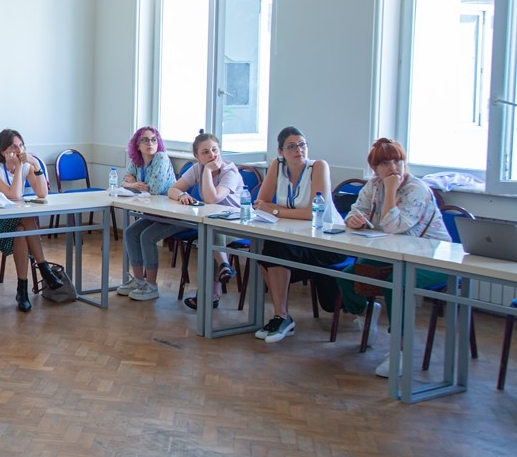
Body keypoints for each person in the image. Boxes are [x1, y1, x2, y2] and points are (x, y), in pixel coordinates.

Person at [342, 137, 451, 377]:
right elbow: (355, 210)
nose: (393, 168)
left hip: (432, 257)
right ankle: (366, 314)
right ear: (375, 169)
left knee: (397, 283)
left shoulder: (416, 189)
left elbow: (393, 226)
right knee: (347, 276)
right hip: (392, 253)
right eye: (385, 163)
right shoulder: (373, 185)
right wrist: (354, 219)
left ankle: (398, 350)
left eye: (398, 161)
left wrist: (391, 189)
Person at [251, 127, 348, 343]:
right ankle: (282, 316)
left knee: (276, 250)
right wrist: (274, 209)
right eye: (292, 146)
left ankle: (281, 317)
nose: (299, 150)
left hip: (329, 242)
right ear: (281, 151)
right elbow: (260, 203)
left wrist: (276, 210)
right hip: (296, 237)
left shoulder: (318, 167)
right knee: (264, 253)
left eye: (302, 145)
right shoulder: (277, 166)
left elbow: (313, 213)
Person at [0, 128, 61, 313]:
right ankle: (44, 268)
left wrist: (35, 165)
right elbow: (14, 195)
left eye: (21, 146)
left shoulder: (27, 165)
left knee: (21, 229)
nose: (19, 151)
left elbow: (42, 193)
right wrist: (19, 167)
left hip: (13, 221)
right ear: (3, 151)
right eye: (13, 147)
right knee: (25, 218)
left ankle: (22, 291)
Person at [171, 132, 242, 310]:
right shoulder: (198, 168)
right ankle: (222, 270)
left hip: (237, 223)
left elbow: (212, 199)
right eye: (205, 152)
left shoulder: (229, 171)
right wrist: (182, 194)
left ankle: (210, 293)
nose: (212, 155)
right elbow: (173, 189)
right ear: (197, 156)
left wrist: (209, 171)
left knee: (209, 234)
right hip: (214, 223)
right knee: (210, 232)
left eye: (214, 150)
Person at [115, 126, 178, 301]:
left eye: (153, 140)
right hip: (154, 213)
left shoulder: (161, 158)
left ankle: (151, 286)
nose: (150, 143)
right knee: (130, 233)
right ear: (137, 144)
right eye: (145, 140)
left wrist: (134, 182)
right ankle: (138, 281)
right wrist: (135, 184)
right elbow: (123, 183)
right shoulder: (136, 161)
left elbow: (155, 189)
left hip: (173, 214)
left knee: (147, 236)